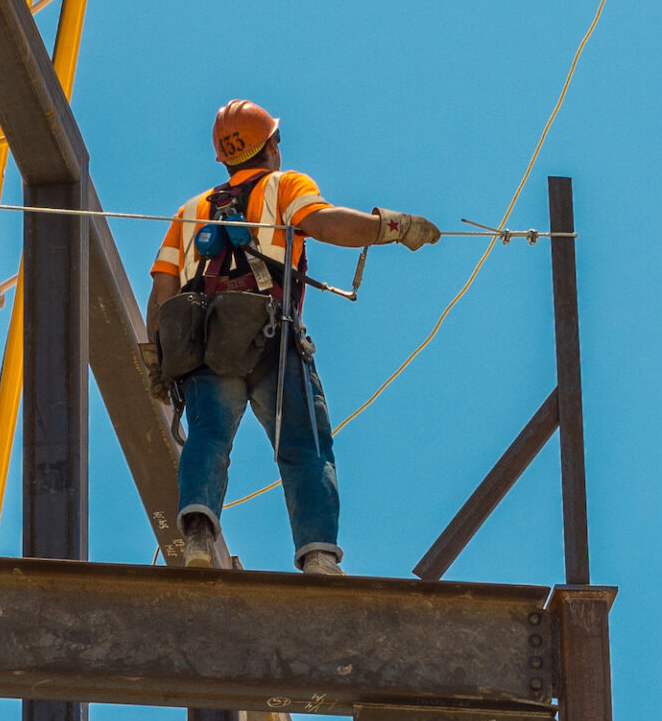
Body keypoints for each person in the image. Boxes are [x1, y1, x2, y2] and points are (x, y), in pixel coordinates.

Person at [142, 98, 440, 573]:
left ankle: (198, 538)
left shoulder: (191, 210)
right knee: (304, 445)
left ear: (224, 155)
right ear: (271, 146)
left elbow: (162, 291)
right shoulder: (285, 185)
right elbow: (324, 224)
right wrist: (393, 227)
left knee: (208, 438)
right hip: (270, 340)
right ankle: (318, 554)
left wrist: (157, 358)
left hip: (204, 348)